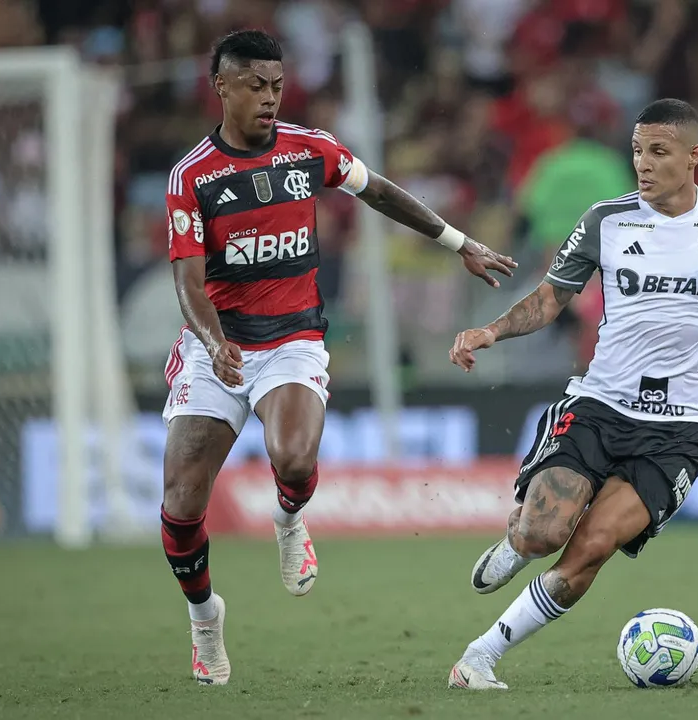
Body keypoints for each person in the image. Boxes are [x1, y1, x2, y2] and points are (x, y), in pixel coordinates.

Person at [445, 98, 698, 690]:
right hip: (600, 405)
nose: (643, 163)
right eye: (638, 150)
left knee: (590, 549)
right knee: (543, 533)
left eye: (658, 152)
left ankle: (480, 657)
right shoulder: (605, 220)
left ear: (693, 157)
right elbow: (550, 297)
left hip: (681, 428)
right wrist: (491, 330)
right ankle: (518, 543)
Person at [161, 30, 516, 685]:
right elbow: (186, 279)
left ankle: (289, 519)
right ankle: (205, 619)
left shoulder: (309, 149)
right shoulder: (193, 177)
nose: (269, 98)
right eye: (254, 86)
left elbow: (377, 191)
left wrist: (455, 241)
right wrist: (214, 343)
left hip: (293, 337)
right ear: (222, 87)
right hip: (217, 343)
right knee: (182, 503)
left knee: (294, 458)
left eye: (276, 85)